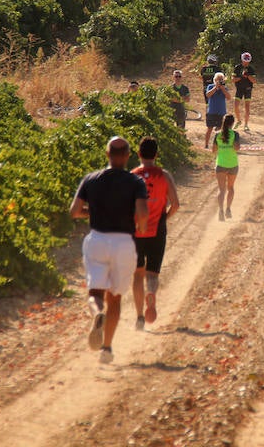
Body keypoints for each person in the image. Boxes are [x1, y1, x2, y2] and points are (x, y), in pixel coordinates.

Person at [69, 136, 149, 364]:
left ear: (107, 154)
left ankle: (97, 314)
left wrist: (91, 213)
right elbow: (142, 213)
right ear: (127, 156)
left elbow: (74, 211)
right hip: (124, 242)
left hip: (97, 240)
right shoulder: (135, 182)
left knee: (95, 294)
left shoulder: (90, 180)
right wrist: (140, 226)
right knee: (115, 298)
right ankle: (106, 348)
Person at [131, 137, 180, 330]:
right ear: (157, 155)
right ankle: (151, 293)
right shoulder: (164, 175)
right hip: (157, 229)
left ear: (138, 154)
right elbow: (175, 204)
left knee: (137, 275)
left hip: (136, 230)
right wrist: (164, 219)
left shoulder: (132, 176)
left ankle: (139, 317)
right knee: (152, 274)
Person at [211, 114, 240, 221]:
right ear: (232, 123)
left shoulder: (217, 135)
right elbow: (237, 148)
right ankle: (228, 209)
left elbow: (213, 150)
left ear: (223, 122)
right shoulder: (235, 134)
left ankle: (221, 211)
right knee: (231, 188)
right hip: (232, 164)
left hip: (221, 164)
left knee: (221, 189)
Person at [204, 71, 231, 149]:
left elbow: (229, 98)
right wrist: (215, 87)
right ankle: (206, 145)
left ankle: (220, 144)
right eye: (218, 79)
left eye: (221, 79)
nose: (220, 81)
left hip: (221, 112)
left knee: (222, 129)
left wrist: (223, 89)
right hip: (212, 111)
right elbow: (208, 95)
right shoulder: (210, 86)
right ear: (215, 80)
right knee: (209, 128)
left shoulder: (225, 88)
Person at [232, 52, 256, 131]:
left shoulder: (251, 69)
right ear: (242, 60)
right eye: (245, 60)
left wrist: (248, 75)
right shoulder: (237, 67)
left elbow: (254, 81)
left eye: (247, 61)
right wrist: (241, 77)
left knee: (247, 107)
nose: (246, 62)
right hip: (239, 89)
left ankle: (246, 125)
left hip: (248, 89)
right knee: (235, 106)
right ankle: (239, 121)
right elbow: (233, 79)